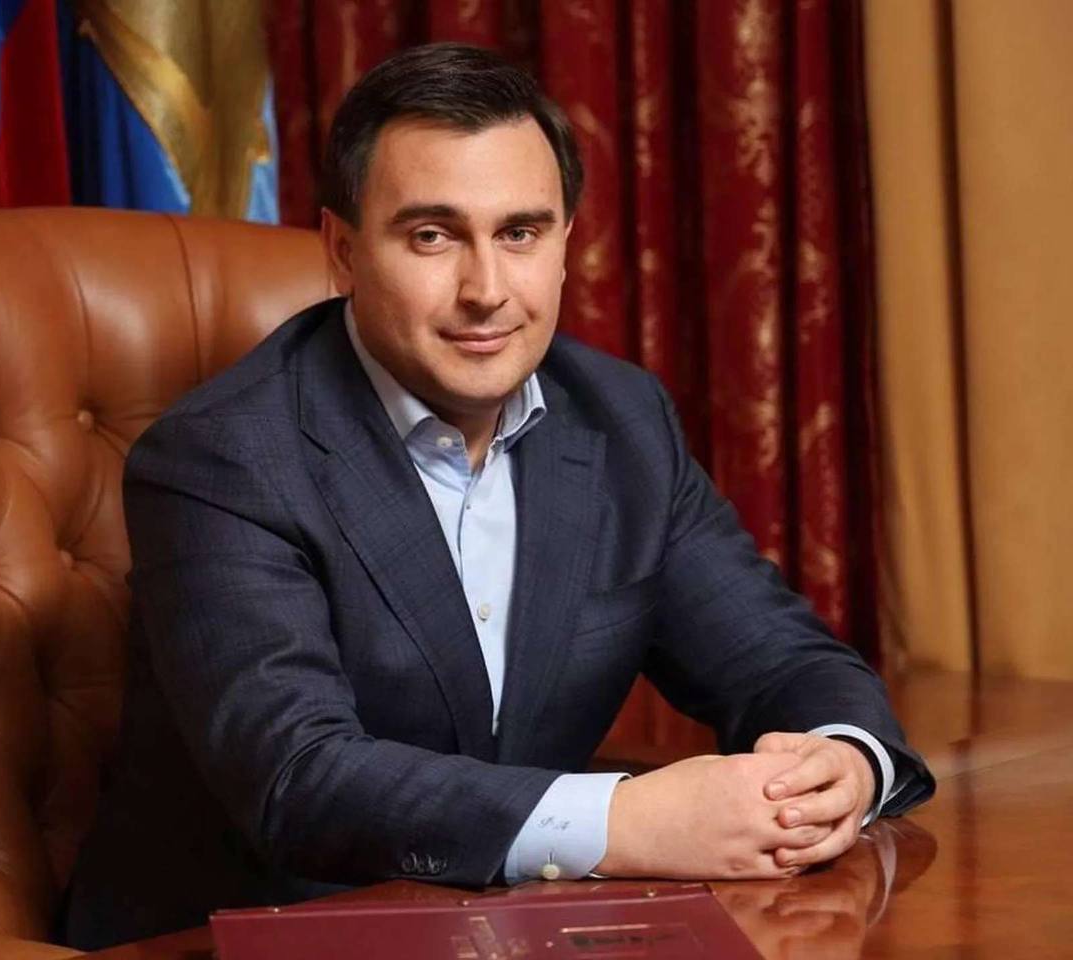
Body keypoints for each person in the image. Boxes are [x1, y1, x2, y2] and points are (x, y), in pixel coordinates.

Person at [63, 42, 934, 949]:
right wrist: (623, 822)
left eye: (520, 233)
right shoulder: (225, 456)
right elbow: (298, 778)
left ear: (565, 245)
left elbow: (781, 661)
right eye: (432, 236)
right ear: (344, 250)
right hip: (240, 941)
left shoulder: (621, 420)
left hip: (513, 932)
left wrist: (842, 764)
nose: (486, 291)